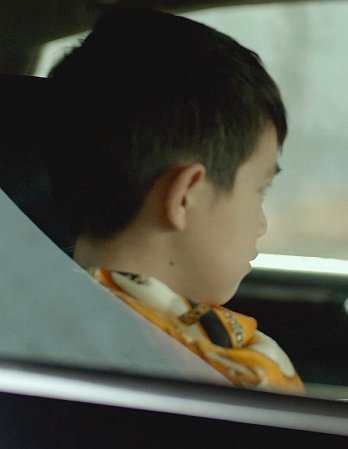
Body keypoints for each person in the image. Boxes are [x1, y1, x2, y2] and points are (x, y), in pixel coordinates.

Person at [47, 9, 303, 393]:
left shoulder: (42, 313)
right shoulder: (199, 374)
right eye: (259, 190)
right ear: (186, 196)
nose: (261, 224)